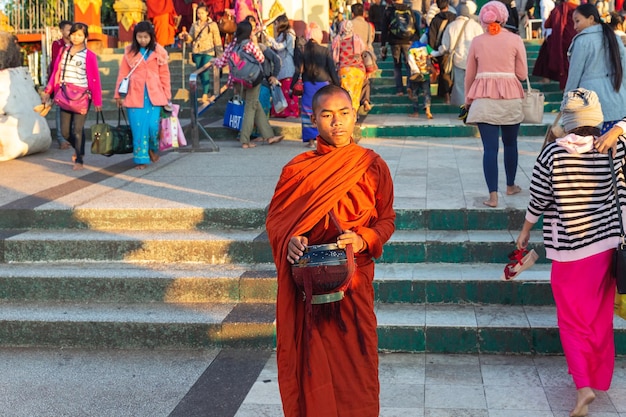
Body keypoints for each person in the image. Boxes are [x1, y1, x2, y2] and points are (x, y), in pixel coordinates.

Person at [266, 84, 396, 417]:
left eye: (343, 114)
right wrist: (291, 239)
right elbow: (278, 222)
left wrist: (364, 238)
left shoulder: (371, 165)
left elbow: (387, 220)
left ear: (355, 115)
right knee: (314, 368)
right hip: (311, 290)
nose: (336, 123)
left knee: (357, 367)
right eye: (327, 115)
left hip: (354, 282)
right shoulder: (298, 170)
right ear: (313, 119)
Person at [516, 88, 620, 417]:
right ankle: (597, 376)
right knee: (599, 317)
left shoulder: (551, 155)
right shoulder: (612, 148)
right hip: (606, 248)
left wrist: (526, 229)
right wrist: (618, 129)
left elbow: (539, 200)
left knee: (572, 321)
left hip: (569, 253)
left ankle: (583, 388)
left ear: (568, 120)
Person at [464, 0, 528, 208]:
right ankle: (510, 185)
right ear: (504, 17)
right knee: (510, 144)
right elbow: (522, 74)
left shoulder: (476, 41)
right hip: (510, 97)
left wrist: (467, 100)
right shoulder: (516, 40)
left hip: (483, 98)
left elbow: (469, 76)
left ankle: (493, 197)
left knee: (489, 149)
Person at [42, 22, 102, 171]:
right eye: (74, 34)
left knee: (78, 129)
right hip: (64, 95)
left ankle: (79, 159)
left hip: (82, 96)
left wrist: (97, 100)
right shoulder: (64, 51)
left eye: (80, 35)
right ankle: (79, 149)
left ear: (85, 37)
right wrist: (48, 90)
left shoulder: (90, 56)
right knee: (65, 132)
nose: (76, 37)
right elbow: (56, 72)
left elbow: (95, 78)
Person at [214, 20, 284, 148]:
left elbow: (221, 62)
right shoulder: (249, 45)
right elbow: (261, 58)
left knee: (254, 105)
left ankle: (269, 136)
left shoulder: (231, 46)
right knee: (250, 108)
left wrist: (214, 61)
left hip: (237, 81)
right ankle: (245, 140)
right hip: (253, 79)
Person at [113, 21, 171, 170]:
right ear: (135, 37)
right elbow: (123, 74)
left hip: (154, 95)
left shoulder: (160, 52)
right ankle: (141, 159)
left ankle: (152, 148)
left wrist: (167, 96)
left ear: (151, 36)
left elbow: (165, 75)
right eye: (139, 37)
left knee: (153, 127)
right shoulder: (129, 52)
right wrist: (118, 95)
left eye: (146, 37)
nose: (143, 40)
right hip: (134, 95)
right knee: (138, 129)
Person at [565, 3, 626, 133]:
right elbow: (624, 69)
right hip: (618, 103)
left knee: (594, 150)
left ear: (591, 19)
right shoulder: (614, 37)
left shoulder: (582, 41)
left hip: (591, 108)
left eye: (577, 21)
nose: (575, 27)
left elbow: (574, 76)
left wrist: (566, 102)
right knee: (617, 150)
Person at [291, 22, 340, 148]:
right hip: (323, 86)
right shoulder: (324, 50)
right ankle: (322, 138)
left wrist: (292, 86)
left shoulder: (303, 50)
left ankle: (310, 140)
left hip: (308, 86)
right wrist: (338, 86)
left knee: (308, 112)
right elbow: (332, 70)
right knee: (323, 112)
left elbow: (298, 71)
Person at [434, 0, 483, 106]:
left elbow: (445, 46)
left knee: (460, 86)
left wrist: (436, 52)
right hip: (473, 60)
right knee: (473, 85)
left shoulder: (452, 26)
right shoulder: (476, 26)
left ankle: (463, 108)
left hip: (458, 60)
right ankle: (473, 107)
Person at [179, 4, 223, 104]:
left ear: (207, 13)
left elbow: (217, 39)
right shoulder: (195, 25)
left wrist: (220, 53)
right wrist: (185, 37)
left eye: (202, 13)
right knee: (199, 71)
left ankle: (205, 93)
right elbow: (191, 37)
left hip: (208, 51)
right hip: (197, 51)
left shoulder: (212, 25)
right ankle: (205, 90)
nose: (200, 15)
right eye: (198, 13)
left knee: (204, 70)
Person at [532, 0, 579, 89]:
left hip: (559, 41)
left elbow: (547, 24)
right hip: (574, 39)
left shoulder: (557, 10)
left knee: (548, 50)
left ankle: (547, 79)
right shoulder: (578, 10)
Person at [381, 0, 422, 96]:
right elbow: (415, 25)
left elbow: (384, 28)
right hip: (408, 40)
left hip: (394, 41)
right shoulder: (408, 9)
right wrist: (417, 39)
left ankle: (399, 90)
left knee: (397, 65)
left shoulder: (389, 10)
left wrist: (383, 44)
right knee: (409, 64)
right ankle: (409, 87)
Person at [266, 14, 299, 118]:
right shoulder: (282, 35)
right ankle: (282, 112)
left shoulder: (289, 34)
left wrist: (270, 39)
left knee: (289, 91)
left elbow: (279, 46)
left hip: (288, 65)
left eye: (276, 24)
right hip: (281, 66)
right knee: (282, 91)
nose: (275, 26)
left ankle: (292, 112)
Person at [332, 20, 367, 113]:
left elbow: (334, 57)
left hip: (344, 71)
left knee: (346, 94)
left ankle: (348, 113)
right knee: (356, 94)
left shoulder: (337, 39)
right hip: (358, 71)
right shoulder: (357, 38)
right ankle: (354, 113)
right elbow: (363, 50)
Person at [48, 20, 72, 150]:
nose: (70, 32)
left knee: (73, 110)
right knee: (60, 111)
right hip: (60, 82)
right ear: (62, 31)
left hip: (74, 82)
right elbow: (56, 62)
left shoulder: (77, 45)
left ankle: (70, 136)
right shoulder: (57, 44)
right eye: (68, 29)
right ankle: (61, 138)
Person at [428, 0, 457, 104]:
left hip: (440, 50)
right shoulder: (454, 18)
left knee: (444, 72)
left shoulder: (435, 20)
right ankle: (448, 94)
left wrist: (432, 52)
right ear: (448, 5)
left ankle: (446, 96)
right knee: (451, 73)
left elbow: (431, 37)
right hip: (453, 49)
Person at [351, 2, 376, 114]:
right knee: (365, 81)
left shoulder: (349, 24)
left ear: (352, 14)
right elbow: (370, 42)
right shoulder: (368, 26)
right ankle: (365, 100)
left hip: (351, 58)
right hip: (364, 57)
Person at [407, 40, 434, 118]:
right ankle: (428, 109)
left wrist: (416, 71)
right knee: (427, 93)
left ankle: (416, 112)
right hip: (426, 74)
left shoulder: (411, 50)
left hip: (416, 76)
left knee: (415, 93)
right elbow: (434, 53)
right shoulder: (426, 47)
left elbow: (411, 62)